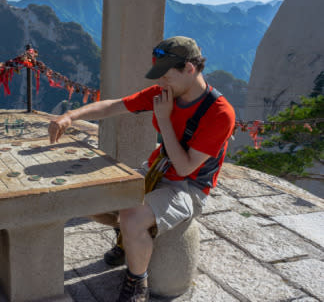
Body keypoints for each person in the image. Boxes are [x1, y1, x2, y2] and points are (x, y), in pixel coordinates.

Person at [48, 36, 235, 302]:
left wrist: (163, 120)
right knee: (87, 198)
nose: (160, 83)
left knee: (133, 216)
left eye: (166, 76)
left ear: (190, 69)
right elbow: (114, 105)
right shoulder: (166, 94)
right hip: (156, 168)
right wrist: (69, 117)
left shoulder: (219, 113)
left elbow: (184, 168)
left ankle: (137, 284)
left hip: (189, 186)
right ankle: (126, 237)